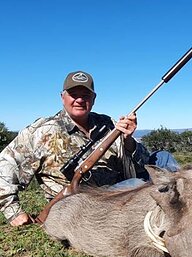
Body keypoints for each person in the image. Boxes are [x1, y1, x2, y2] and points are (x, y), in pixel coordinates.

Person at [0, 70, 180, 227]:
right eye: (73, 94)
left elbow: (139, 164)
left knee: (162, 158)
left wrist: (128, 141)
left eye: (85, 95)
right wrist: (13, 212)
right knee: (137, 185)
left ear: (93, 99)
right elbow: (5, 164)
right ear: (62, 97)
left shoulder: (106, 123)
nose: (79, 100)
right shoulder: (42, 131)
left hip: (119, 189)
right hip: (83, 205)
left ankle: (184, 210)